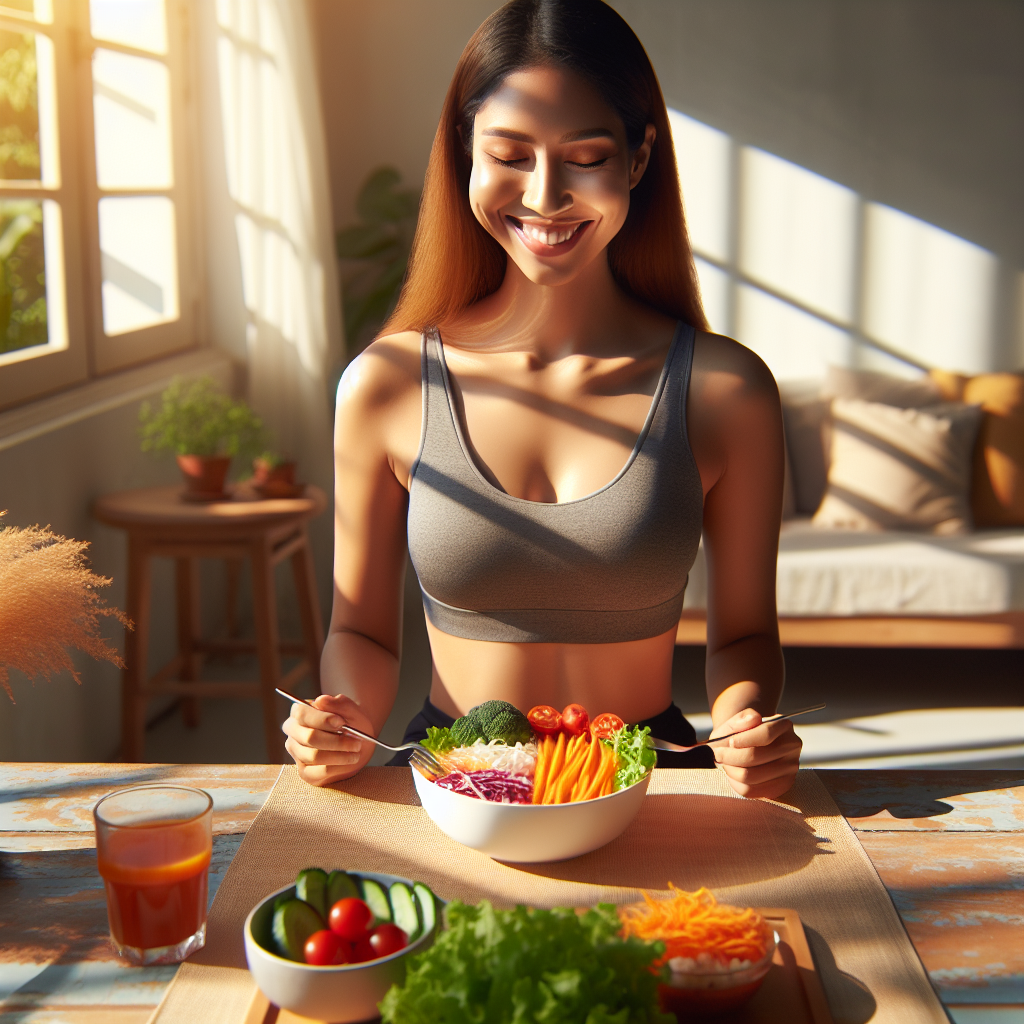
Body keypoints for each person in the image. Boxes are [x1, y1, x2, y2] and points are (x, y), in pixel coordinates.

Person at [283, 0, 801, 799]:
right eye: (511, 155)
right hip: (453, 779)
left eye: (585, 156)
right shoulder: (385, 385)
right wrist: (345, 720)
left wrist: (745, 719)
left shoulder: (726, 391)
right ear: (465, 157)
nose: (547, 195)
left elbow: (743, 636)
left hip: (651, 780)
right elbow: (358, 631)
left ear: (638, 160)